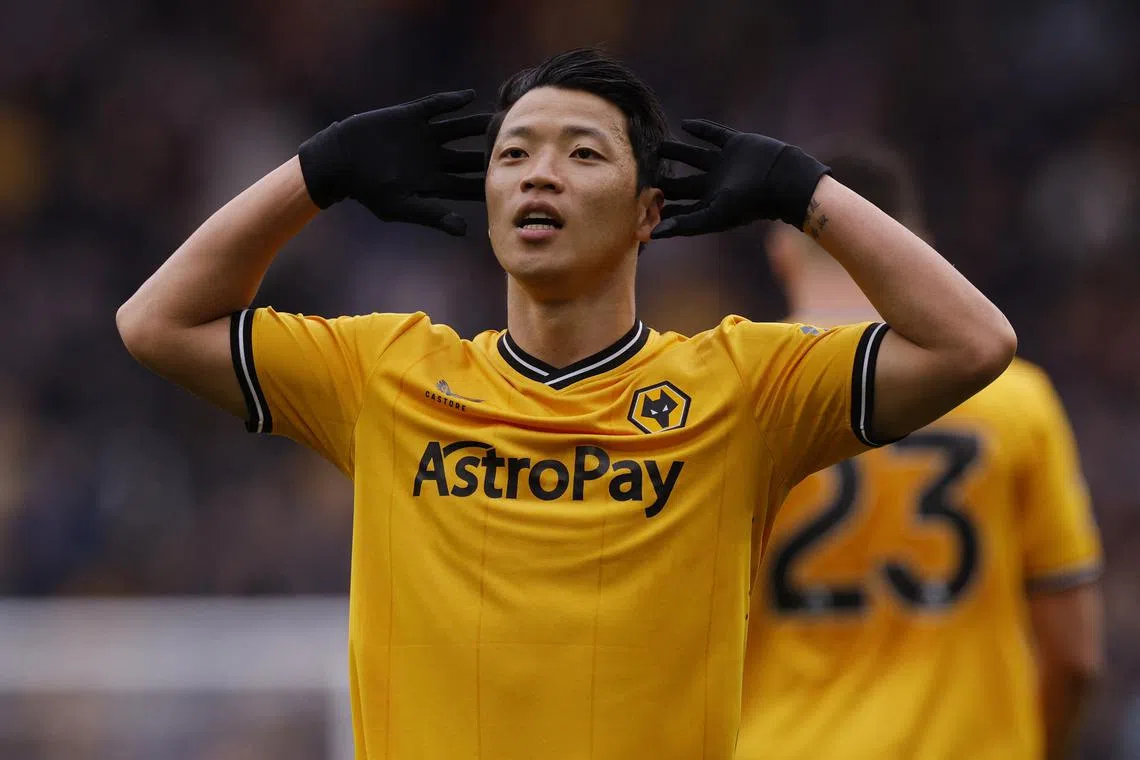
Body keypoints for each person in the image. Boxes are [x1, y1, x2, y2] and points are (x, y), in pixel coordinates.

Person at [116, 49, 1016, 759]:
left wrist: (805, 192)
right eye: (513, 154)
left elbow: (973, 344)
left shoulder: (742, 389)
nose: (537, 174)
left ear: (648, 213)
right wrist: (321, 170)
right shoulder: (382, 374)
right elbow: (156, 322)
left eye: (583, 154)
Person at [737, 141, 1104, 760]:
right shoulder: (1017, 401)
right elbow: (1076, 655)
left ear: (780, 252)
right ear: (919, 249)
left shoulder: (737, 399)